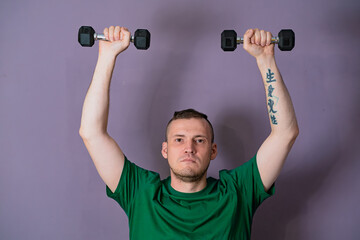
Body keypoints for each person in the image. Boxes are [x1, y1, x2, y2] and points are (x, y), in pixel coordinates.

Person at [79, 26, 299, 239]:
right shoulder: (140, 192)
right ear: (164, 149)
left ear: (213, 150)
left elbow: (285, 134)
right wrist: (107, 56)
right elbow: (91, 132)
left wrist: (265, 59)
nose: (189, 148)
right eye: (178, 139)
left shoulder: (238, 191)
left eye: (199, 140)